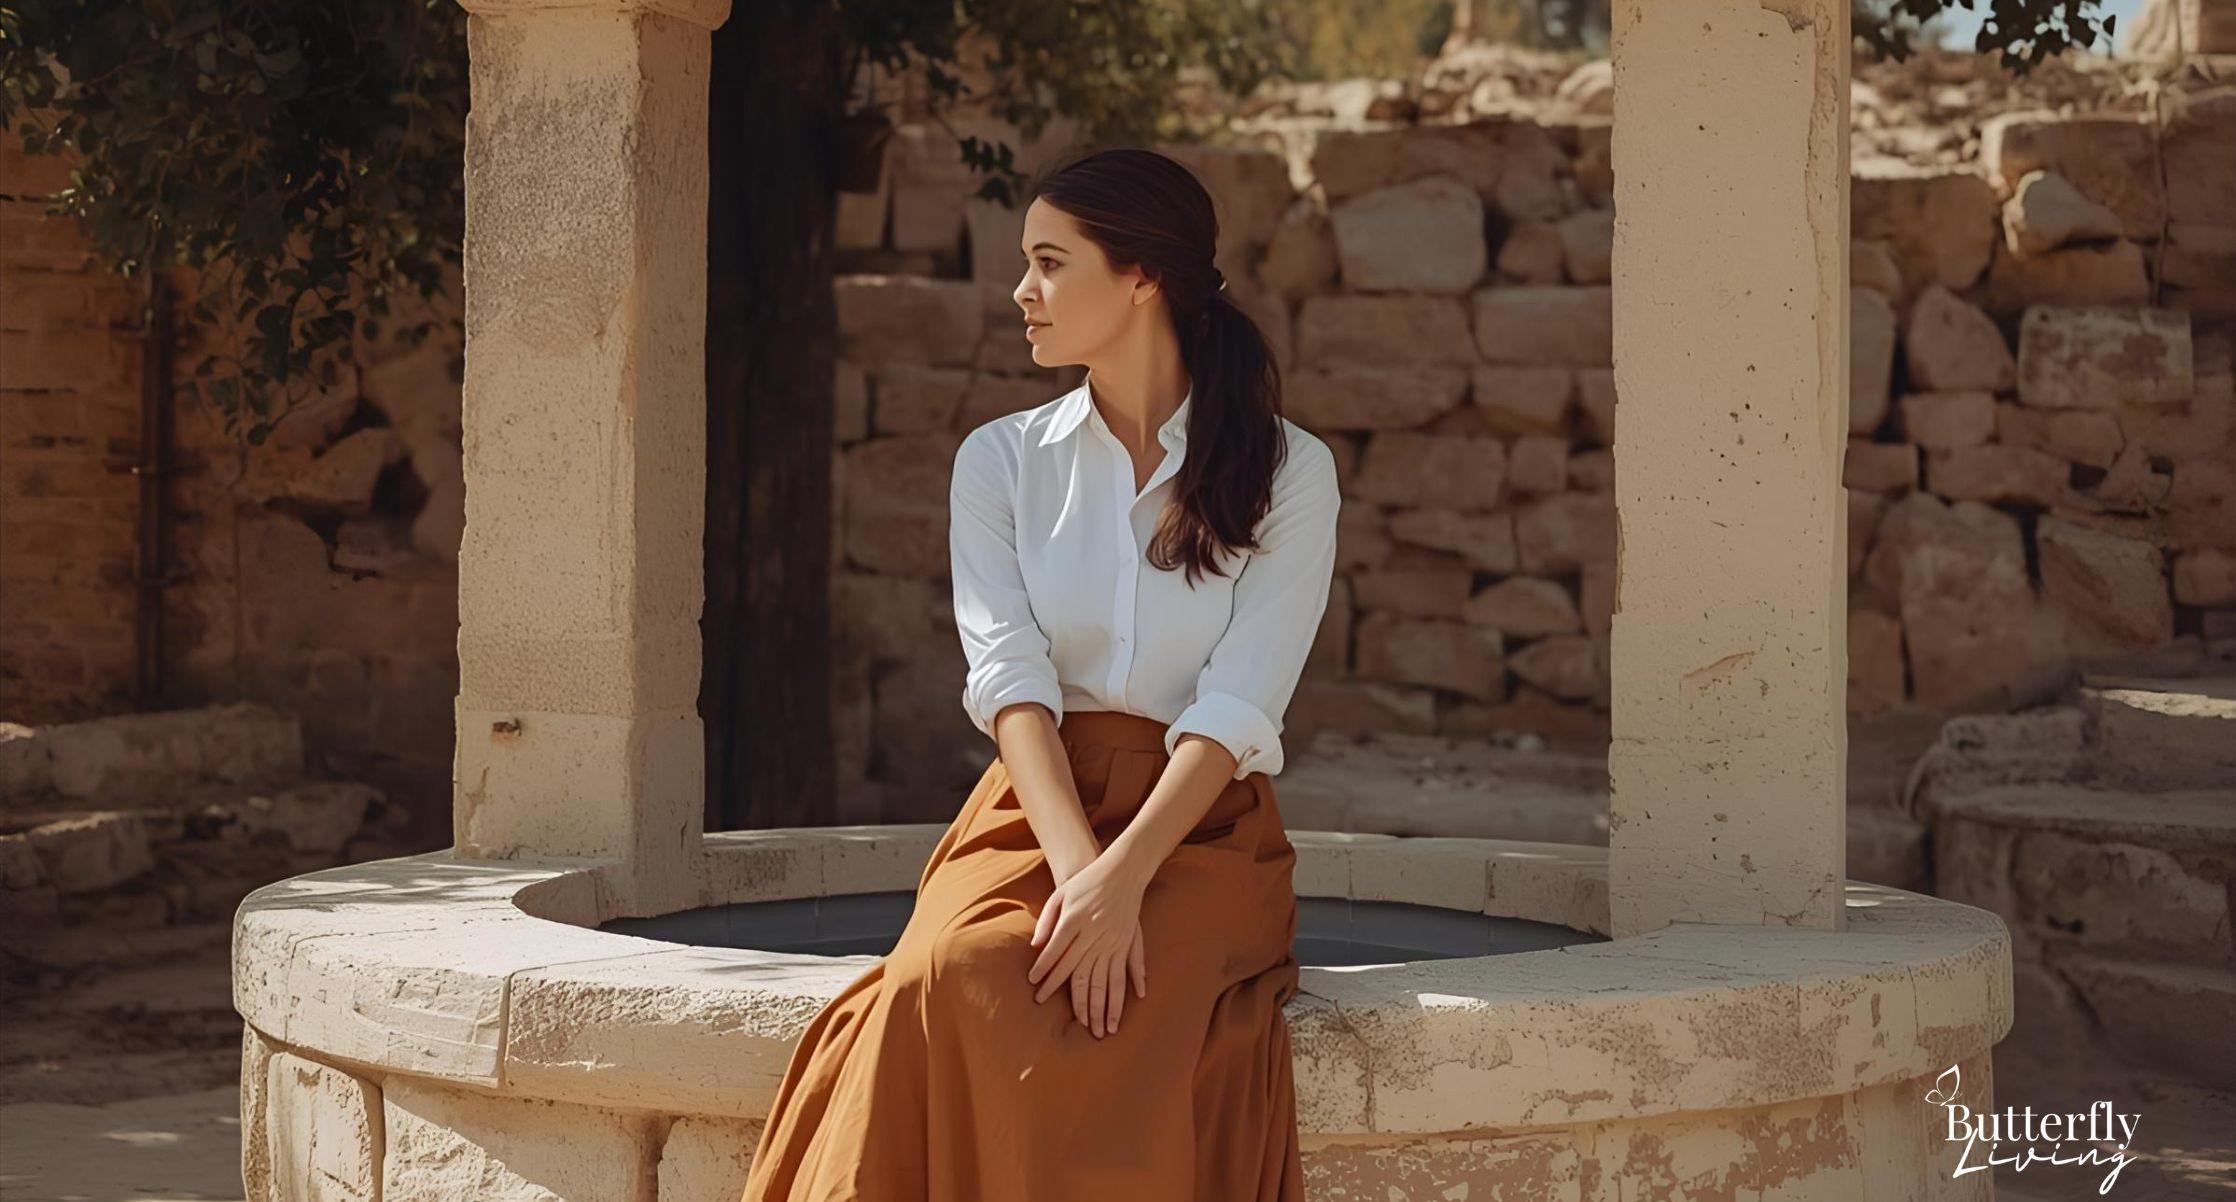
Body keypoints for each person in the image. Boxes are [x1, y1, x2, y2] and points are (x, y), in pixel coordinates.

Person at [739, 146, 1341, 1202]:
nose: (1023, 290)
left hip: (1199, 825)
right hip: (1033, 804)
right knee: (945, 974)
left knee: (1133, 1011)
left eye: (1051, 263)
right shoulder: (1001, 460)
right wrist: (1079, 875)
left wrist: (1125, 878)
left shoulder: (1290, 470)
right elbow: (1009, 678)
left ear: (1142, 275)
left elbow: (1241, 699)